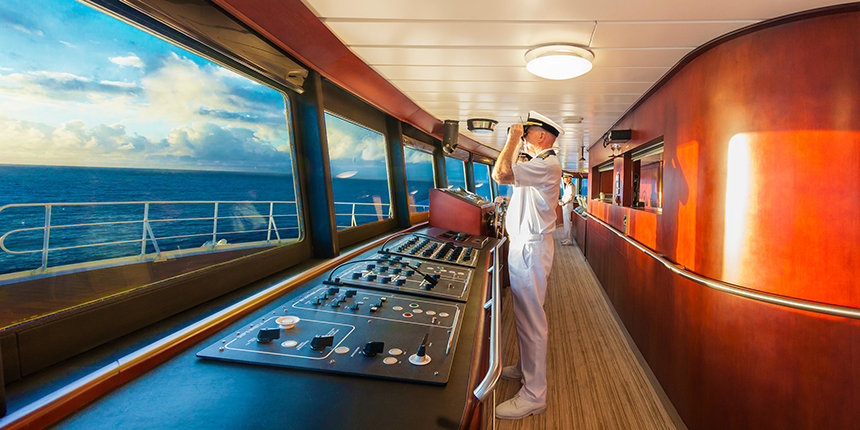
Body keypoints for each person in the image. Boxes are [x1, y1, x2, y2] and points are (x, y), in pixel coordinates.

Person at [491, 111, 563, 419]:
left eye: (527, 133)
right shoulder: (537, 164)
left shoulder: (547, 164)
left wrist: (511, 137)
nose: (523, 137)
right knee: (524, 315)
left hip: (530, 249)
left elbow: (501, 174)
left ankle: (535, 395)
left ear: (542, 136)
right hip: (525, 246)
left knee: (532, 320)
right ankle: (524, 368)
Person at [559, 174, 576, 246]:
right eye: (563, 178)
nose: (563, 179)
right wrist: (561, 202)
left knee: (568, 223)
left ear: (569, 178)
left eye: (565, 178)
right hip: (565, 205)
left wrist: (564, 203)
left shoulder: (571, 186)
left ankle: (569, 240)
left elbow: (571, 197)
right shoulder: (567, 186)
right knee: (566, 223)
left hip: (568, 206)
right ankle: (567, 238)